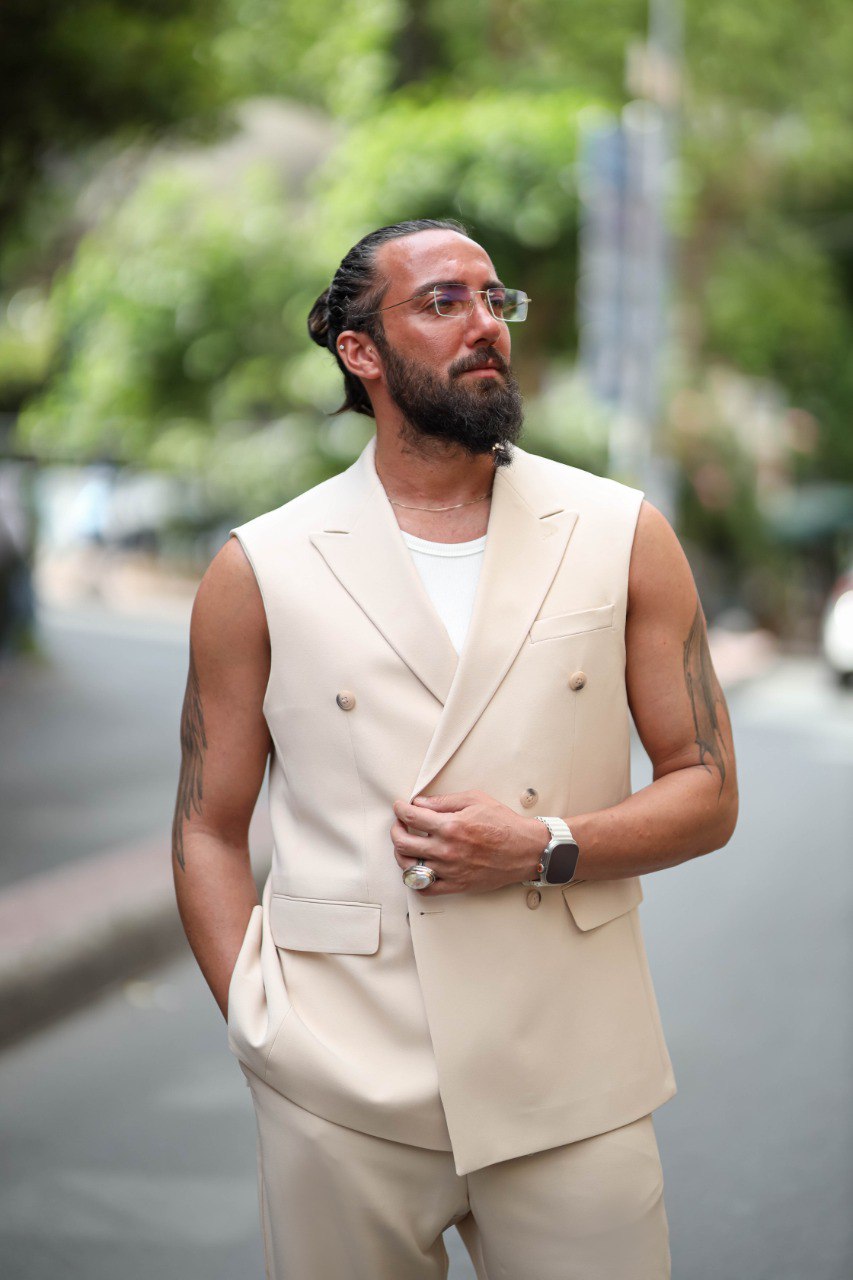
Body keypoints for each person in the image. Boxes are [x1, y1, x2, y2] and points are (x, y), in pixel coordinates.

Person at [172, 217, 738, 1279]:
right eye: (442, 302)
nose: (484, 324)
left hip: (574, 1072)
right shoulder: (261, 565)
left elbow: (707, 787)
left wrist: (545, 844)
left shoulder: (620, 531)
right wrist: (257, 1019)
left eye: (494, 299)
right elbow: (207, 823)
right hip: (339, 1078)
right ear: (360, 350)